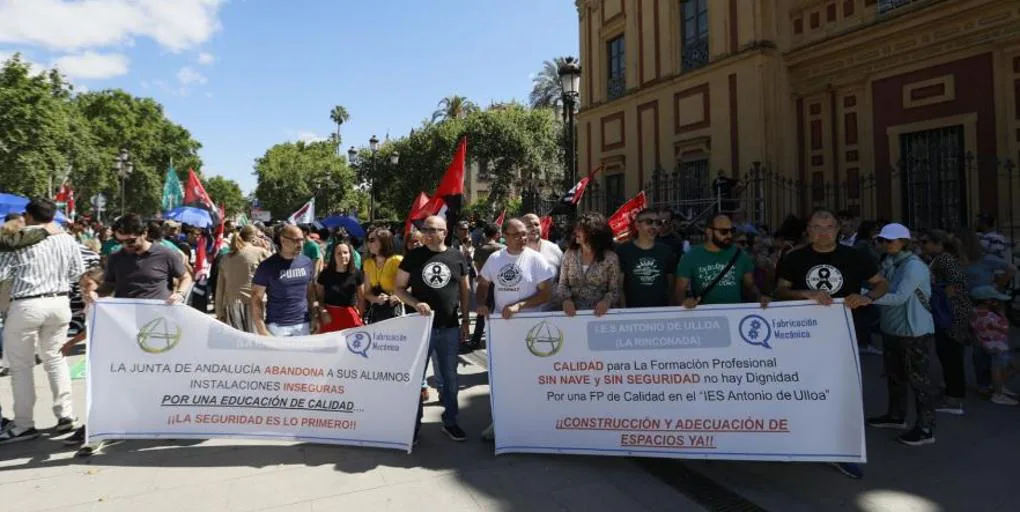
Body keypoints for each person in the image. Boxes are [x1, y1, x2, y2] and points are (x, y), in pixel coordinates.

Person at [774, 209, 889, 479]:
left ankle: (840, 452)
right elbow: (779, 291)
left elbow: (882, 283)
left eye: (829, 226)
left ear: (839, 229)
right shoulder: (795, 258)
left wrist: (867, 297)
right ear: (809, 230)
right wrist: (804, 293)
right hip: (802, 337)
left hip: (842, 337)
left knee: (842, 396)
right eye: (817, 226)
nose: (824, 232)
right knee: (800, 390)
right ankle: (797, 442)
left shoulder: (856, 256)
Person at [0, 199, 84, 445]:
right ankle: (65, 414)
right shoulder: (67, 238)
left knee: (21, 366)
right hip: (59, 302)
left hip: (27, 302)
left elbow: (3, 273)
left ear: (28, 215)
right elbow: (76, 271)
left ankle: (24, 423)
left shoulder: (18, 238)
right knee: (55, 358)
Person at [475, 218, 556, 440]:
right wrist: (482, 304)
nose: (523, 238)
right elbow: (482, 284)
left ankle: (534, 423)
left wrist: (521, 305)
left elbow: (546, 293)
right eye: (517, 234)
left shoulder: (536, 259)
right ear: (505, 237)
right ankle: (500, 422)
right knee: (503, 379)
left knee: (530, 378)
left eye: (524, 234)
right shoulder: (495, 258)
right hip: (504, 330)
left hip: (532, 330)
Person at [393, 216, 471, 443]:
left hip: (449, 328)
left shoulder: (457, 256)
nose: (426, 233)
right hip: (421, 328)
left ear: (444, 232)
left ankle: (451, 422)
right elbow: (398, 288)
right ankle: (413, 426)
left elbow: (465, 291)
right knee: (416, 379)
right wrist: (415, 302)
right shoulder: (413, 257)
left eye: (431, 229)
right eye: (424, 229)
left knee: (450, 379)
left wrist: (466, 321)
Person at [866, 223, 937, 447]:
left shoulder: (913, 267)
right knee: (895, 375)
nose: (887, 244)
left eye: (892, 240)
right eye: (884, 240)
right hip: (892, 328)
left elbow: (898, 297)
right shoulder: (889, 262)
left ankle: (926, 428)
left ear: (904, 242)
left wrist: (865, 297)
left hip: (913, 330)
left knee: (919, 380)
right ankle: (896, 416)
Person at [920, 230, 972, 415]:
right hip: (953, 313)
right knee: (950, 354)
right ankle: (952, 391)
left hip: (950, 314)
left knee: (950, 355)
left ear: (937, 243)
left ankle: (954, 398)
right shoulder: (944, 259)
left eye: (925, 241)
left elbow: (956, 283)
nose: (922, 245)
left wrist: (942, 294)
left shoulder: (944, 260)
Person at [676, 214, 767, 308]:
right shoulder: (691, 256)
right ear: (709, 232)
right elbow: (679, 290)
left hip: (735, 315)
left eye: (732, 231)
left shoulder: (740, 255)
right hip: (705, 317)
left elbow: (750, 286)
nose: (729, 235)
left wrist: (759, 297)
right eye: (724, 232)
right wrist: (685, 302)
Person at [251, 224, 318, 337]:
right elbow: (256, 298)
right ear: (283, 240)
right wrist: (262, 330)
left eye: (302, 240)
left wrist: (315, 316)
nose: (300, 244)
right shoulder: (267, 266)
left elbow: (310, 292)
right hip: (277, 328)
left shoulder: (307, 263)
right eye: (296, 240)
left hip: (303, 325)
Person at [556, 212, 621, 316]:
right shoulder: (569, 254)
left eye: (581, 229)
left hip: (600, 315)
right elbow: (562, 284)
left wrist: (606, 302)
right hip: (572, 315)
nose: (576, 232)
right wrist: (566, 300)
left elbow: (615, 290)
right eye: (576, 228)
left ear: (594, 233)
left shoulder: (610, 258)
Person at [215, 225, 271, 332]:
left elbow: (220, 288)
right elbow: (276, 271)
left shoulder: (226, 258)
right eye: (261, 236)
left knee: (239, 343)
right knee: (258, 341)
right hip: (256, 304)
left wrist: (219, 313)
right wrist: (267, 250)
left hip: (232, 306)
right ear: (254, 238)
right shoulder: (260, 252)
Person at [617, 209, 676, 308]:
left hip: (660, 313)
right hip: (632, 313)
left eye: (657, 223)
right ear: (637, 225)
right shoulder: (623, 251)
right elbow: (619, 287)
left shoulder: (666, 251)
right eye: (649, 222)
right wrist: (625, 312)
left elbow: (671, 287)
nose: (654, 226)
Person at [969, 286, 1018, 405]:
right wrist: (1002, 314)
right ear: (988, 301)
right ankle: (998, 393)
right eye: (995, 300)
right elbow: (1005, 329)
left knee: (1009, 366)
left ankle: (999, 386)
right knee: (999, 369)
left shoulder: (974, 312)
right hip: (997, 346)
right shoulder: (991, 317)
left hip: (986, 344)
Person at [315, 241, 365, 332]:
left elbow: (361, 299)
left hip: (350, 316)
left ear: (350, 254)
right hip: (329, 317)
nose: (342, 256)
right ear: (333, 256)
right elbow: (319, 298)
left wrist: (360, 316)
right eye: (338, 253)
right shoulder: (325, 274)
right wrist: (323, 312)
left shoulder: (357, 273)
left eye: (345, 252)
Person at [468, 223, 504, 348]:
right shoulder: (502, 248)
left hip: (484, 283)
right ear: (496, 234)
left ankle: (475, 339)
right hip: (500, 283)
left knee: (482, 310)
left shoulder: (480, 249)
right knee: (498, 309)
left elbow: (477, 265)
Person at [363, 228, 405, 323]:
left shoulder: (397, 260)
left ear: (383, 241)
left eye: (372, 240)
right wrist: (376, 299)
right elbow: (367, 293)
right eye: (368, 240)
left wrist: (397, 296)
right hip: (377, 311)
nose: (368, 244)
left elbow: (410, 286)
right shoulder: (368, 263)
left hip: (395, 310)